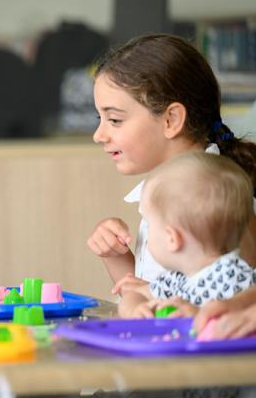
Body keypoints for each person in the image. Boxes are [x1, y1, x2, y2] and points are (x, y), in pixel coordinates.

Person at [86, 34, 256, 296]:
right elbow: (153, 294)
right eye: (101, 118)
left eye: (115, 120)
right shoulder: (172, 188)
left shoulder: (211, 196)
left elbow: (237, 306)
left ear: (171, 120)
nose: (99, 135)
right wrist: (115, 255)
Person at [118, 152, 256, 318]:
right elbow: (134, 294)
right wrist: (136, 309)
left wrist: (197, 316)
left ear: (172, 238)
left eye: (150, 224)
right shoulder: (179, 277)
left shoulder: (235, 278)